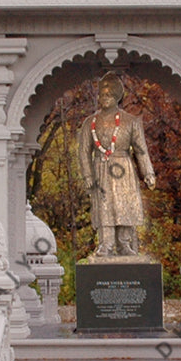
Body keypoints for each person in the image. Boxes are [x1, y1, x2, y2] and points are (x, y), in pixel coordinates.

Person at [78, 73, 156, 256]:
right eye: (102, 95)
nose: (105, 99)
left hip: (124, 168)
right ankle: (106, 244)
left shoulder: (130, 121)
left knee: (124, 205)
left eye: (109, 95)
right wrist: (88, 175)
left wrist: (148, 173)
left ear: (117, 97)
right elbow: (83, 151)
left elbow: (141, 150)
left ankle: (124, 243)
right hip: (101, 169)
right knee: (104, 206)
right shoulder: (90, 123)